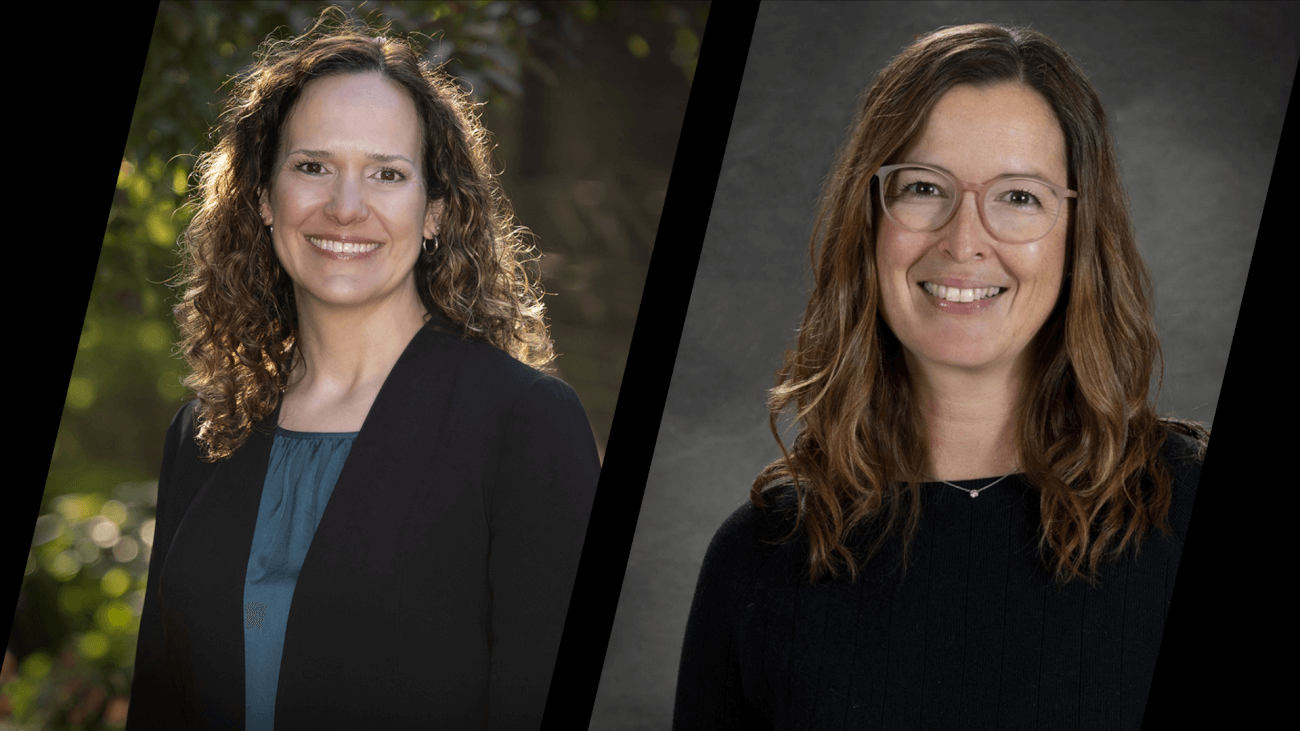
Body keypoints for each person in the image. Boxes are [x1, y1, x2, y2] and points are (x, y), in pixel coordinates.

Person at [674, 23, 1207, 730]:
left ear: (1080, 235)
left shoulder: (1182, 507)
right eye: (925, 187)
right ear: (869, 222)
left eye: (1019, 197)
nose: (963, 240)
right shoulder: (760, 558)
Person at [126, 12, 600, 731]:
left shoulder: (524, 426)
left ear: (435, 211)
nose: (346, 209)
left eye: (387, 174)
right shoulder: (204, 435)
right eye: (313, 167)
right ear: (263, 197)